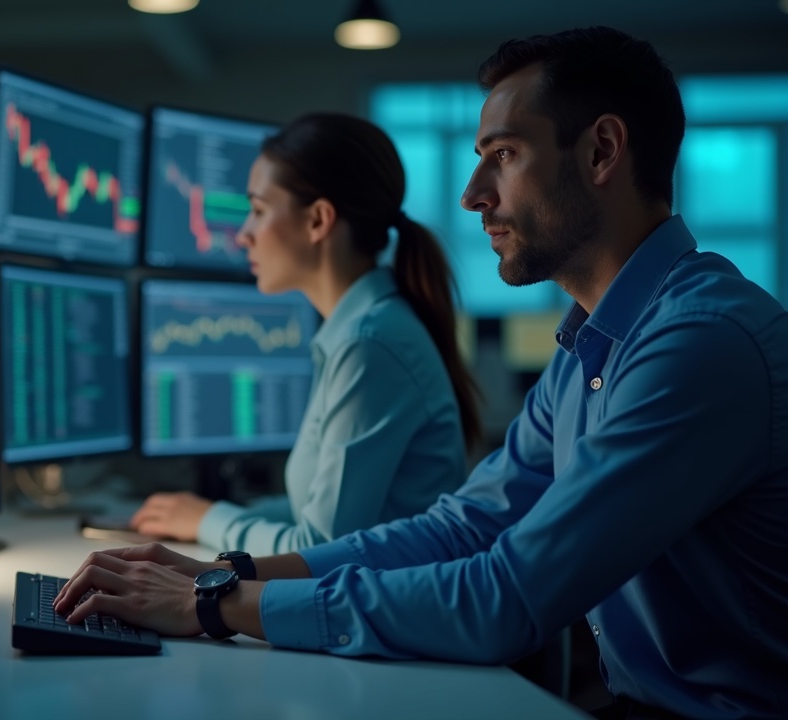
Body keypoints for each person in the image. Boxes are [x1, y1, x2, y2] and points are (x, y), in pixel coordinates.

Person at [56, 26, 788, 720]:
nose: (472, 195)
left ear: (601, 152)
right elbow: (461, 529)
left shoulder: (698, 347)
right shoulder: (590, 351)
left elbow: (507, 597)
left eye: (502, 154)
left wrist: (215, 604)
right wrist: (226, 573)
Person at [128, 112, 481, 555]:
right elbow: (311, 510)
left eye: (257, 211)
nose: (243, 235)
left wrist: (209, 520)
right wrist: (210, 514)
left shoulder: (369, 344)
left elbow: (319, 548)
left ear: (318, 221)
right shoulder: (362, 329)